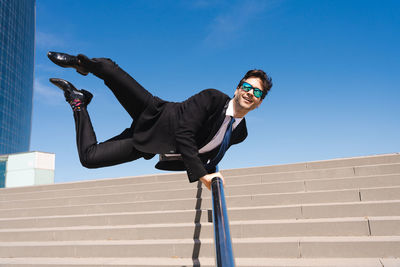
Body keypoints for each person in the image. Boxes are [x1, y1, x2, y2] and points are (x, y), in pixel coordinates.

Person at [47, 52, 272, 190]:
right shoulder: (213, 98)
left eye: (257, 92)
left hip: (152, 141)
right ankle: (80, 63)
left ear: (260, 102)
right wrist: (202, 175)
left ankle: (78, 101)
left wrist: (209, 170)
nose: (250, 93)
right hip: (156, 113)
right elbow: (185, 133)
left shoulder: (240, 134)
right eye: (246, 87)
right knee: (110, 71)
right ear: (237, 89)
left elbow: (208, 150)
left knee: (89, 158)